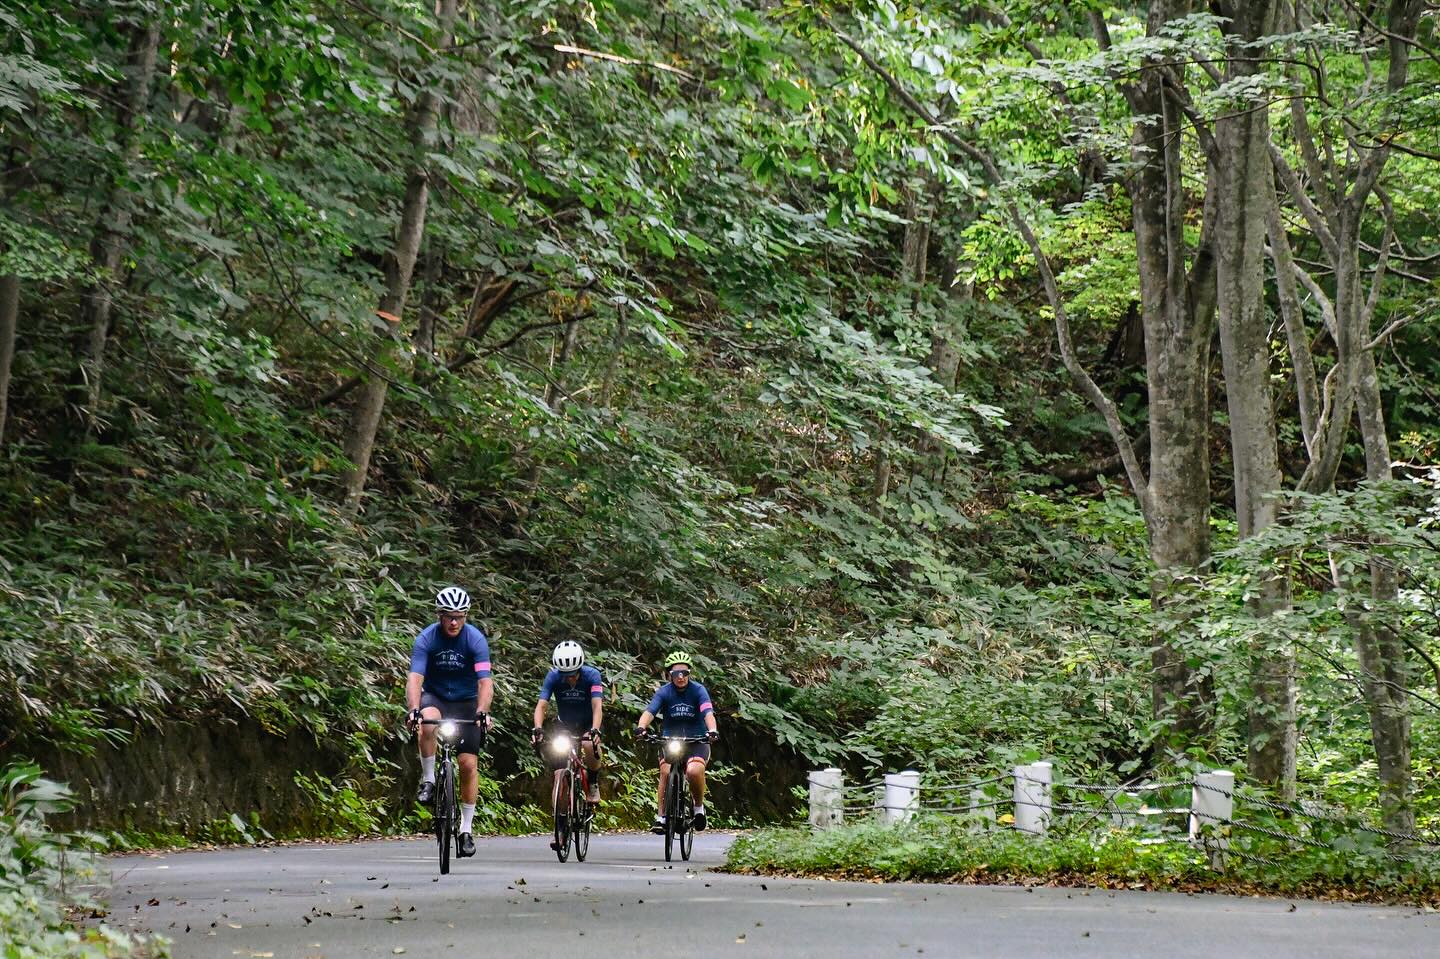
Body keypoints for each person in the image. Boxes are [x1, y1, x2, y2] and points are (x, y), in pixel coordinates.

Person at [404, 586, 493, 859]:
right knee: (427, 722)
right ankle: (429, 779)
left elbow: (485, 682)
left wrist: (482, 710)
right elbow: (415, 678)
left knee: (468, 764)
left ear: (465, 616)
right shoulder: (427, 639)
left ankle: (465, 830)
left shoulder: (475, 640)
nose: (454, 622)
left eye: (459, 616)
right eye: (448, 616)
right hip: (437, 697)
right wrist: (413, 709)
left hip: (467, 701)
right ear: (439, 616)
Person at [633, 650, 719, 834]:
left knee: (694, 771)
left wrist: (712, 730)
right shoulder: (664, 692)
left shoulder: (698, 690)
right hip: (670, 739)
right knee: (665, 771)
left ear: (689, 674)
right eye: (676, 674)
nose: (681, 677)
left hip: (696, 739)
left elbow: (707, 712)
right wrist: (641, 727)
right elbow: (650, 711)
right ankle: (661, 817)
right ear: (669, 675)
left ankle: (698, 808)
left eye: (685, 673)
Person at [531, 641, 604, 850]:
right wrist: (537, 728)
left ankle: (593, 781)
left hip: (588, 724)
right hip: (565, 725)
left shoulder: (592, 676)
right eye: (566, 674)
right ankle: (561, 827)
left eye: (573, 673)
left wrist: (595, 729)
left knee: (590, 746)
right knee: (559, 776)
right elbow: (542, 705)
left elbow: (597, 705)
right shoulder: (553, 677)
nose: (570, 678)